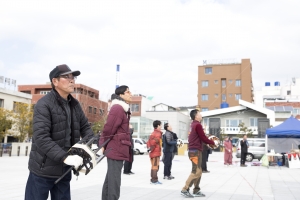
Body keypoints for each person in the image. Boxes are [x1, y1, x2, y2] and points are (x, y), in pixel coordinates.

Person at [25, 64, 94, 200]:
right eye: (66, 77)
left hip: (64, 169)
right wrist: (65, 157)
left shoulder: (74, 105)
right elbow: (41, 137)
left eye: (73, 77)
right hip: (42, 170)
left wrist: (86, 148)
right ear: (55, 81)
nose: (72, 80)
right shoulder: (44, 104)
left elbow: (86, 129)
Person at [99, 85, 132, 200]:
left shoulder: (122, 109)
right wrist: (102, 143)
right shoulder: (118, 108)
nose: (131, 94)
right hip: (116, 148)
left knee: (110, 180)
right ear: (120, 95)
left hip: (117, 148)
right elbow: (109, 128)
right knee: (114, 182)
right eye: (128, 92)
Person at [181, 110, 217, 198]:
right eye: (199, 113)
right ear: (196, 116)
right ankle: (185, 189)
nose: (201, 114)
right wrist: (212, 142)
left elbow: (201, 137)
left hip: (195, 150)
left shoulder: (193, 124)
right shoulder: (197, 124)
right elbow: (203, 137)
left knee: (199, 171)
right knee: (196, 171)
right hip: (195, 151)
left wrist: (208, 141)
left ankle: (196, 190)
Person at [147, 120, 163, 185]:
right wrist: (152, 149)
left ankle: (153, 179)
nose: (161, 126)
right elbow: (152, 143)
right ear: (158, 125)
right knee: (155, 166)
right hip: (155, 153)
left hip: (154, 152)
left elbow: (149, 142)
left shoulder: (153, 133)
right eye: (160, 125)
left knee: (154, 166)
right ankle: (154, 180)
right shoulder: (157, 134)